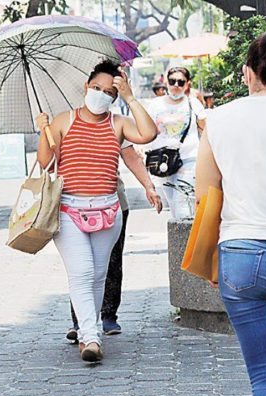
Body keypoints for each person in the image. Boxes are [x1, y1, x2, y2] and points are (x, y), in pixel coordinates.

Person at [196, 29, 266, 396]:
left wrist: (211, 260)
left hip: (243, 255)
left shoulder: (219, 119)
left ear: (249, 73)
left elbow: (206, 197)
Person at [35, 60, 157, 362]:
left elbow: (148, 134)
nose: (101, 94)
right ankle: (90, 337)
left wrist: (130, 97)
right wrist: (43, 130)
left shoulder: (118, 123)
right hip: (68, 210)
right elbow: (46, 162)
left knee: (99, 275)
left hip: (108, 211)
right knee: (82, 272)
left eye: (108, 92)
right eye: (96, 88)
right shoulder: (64, 121)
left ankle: (89, 331)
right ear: (85, 87)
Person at [67, 143, 163, 340]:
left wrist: (149, 187)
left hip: (112, 204)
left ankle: (109, 314)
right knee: (82, 267)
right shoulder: (65, 127)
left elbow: (130, 155)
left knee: (111, 262)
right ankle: (81, 322)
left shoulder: (114, 127)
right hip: (74, 206)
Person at [145, 67, 207, 219]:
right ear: (166, 82)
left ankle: (183, 233)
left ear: (187, 84)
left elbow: (205, 130)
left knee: (183, 202)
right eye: (172, 81)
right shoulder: (155, 104)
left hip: (188, 159)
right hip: (162, 161)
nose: (176, 85)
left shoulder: (193, 104)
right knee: (173, 203)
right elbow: (147, 130)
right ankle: (179, 232)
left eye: (181, 82)